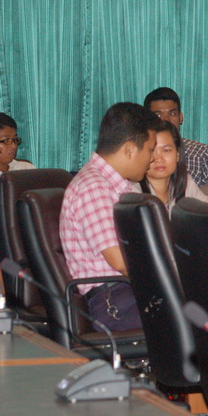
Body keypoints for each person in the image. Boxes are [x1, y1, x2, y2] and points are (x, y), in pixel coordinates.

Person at [60, 102, 161, 331]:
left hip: (129, 292)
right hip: (114, 300)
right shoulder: (95, 187)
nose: (152, 159)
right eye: (150, 149)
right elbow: (121, 261)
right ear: (130, 149)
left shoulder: (114, 186)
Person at [143, 87, 208, 186]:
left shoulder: (200, 152)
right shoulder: (141, 152)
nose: (166, 120)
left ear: (181, 117)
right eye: (158, 115)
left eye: (172, 114)